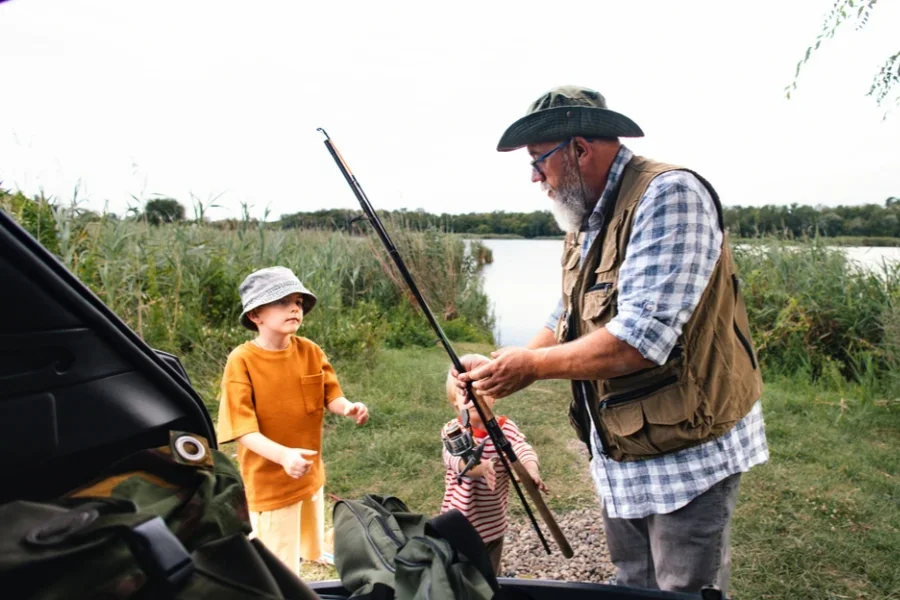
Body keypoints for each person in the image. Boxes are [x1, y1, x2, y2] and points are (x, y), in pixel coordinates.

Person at [453, 86, 769, 594]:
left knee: (682, 590)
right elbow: (568, 315)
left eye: (539, 161)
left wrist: (529, 368)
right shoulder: (585, 216)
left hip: (687, 451)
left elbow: (638, 340)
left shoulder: (670, 195)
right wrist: (495, 371)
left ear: (579, 149)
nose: (535, 177)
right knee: (631, 586)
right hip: (620, 448)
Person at [217, 266, 369, 574]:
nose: (294, 308)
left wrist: (347, 407)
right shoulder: (242, 360)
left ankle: (313, 552)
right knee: (278, 547)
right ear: (255, 316)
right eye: (282, 301)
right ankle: (282, 574)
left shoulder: (310, 350)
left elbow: (330, 395)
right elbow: (242, 429)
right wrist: (283, 455)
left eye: (298, 301)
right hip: (270, 477)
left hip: (309, 467)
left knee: (310, 514)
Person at [439, 355, 545, 576]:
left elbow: (522, 449)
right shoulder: (452, 430)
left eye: (479, 389)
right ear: (454, 402)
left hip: (493, 525)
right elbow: (452, 459)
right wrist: (479, 468)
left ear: (494, 396)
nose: (473, 397)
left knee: (490, 577)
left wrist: (531, 470)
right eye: (465, 392)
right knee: (459, 576)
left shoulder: (505, 428)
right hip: (458, 524)